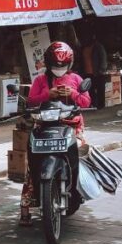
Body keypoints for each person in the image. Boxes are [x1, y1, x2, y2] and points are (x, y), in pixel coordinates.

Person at [19, 42, 91, 227]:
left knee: (82, 154)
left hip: (71, 125)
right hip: (45, 125)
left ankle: (79, 190)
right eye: (55, 66)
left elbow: (86, 102)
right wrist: (47, 95)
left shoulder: (75, 79)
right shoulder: (40, 81)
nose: (59, 70)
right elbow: (31, 101)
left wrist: (73, 93)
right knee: (31, 166)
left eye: (62, 66)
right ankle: (25, 207)